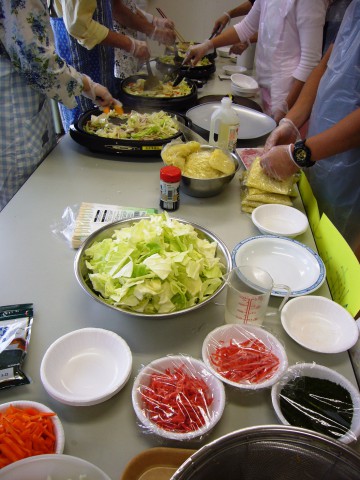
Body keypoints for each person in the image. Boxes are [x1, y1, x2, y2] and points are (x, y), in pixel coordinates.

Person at [259, 0, 360, 259]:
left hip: (351, 168)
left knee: (338, 254)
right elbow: (325, 65)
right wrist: (292, 121)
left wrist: (300, 154)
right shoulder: (353, 9)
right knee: (310, 237)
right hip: (321, 152)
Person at [0, 0, 118, 211]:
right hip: (12, 104)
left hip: (20, 92)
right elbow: (37, 60)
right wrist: (87, 85)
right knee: (21, 203)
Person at [185, 0, 328, 124]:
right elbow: (246, 27)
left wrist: (286, 106)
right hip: (267, 83)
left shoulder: (310, 2)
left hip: (289, 91)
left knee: (277, 144)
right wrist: (207, 45)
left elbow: (310, 62)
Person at [50, 0, 175, 131]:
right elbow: (79, 25)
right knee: (83, 125)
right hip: (77, 54)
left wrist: (153, 23)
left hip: (100, 55)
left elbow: (117, 5)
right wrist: (131, 45)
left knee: (104, 120)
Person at [112, 0, 176, 80]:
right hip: (119, 46)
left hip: (129, 45)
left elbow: (129, 6)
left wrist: (154, 21)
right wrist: (154, 31)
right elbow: (116, 10)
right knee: (123, 85)